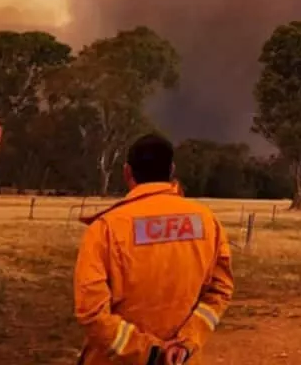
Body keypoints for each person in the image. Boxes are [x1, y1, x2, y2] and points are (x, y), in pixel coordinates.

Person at [73, 133, 235, 365]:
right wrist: (186, 341)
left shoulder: (105, 229)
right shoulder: (207, 222)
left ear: (127, 172)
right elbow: (220, 292)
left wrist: (151, 352)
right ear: (171, 170)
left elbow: (91, 312)